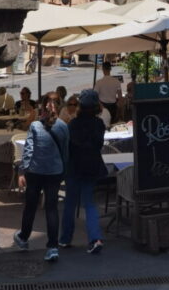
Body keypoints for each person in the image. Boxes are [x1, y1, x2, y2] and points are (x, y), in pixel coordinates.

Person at [14, 93, 68, 263]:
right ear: (59, 107)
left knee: (30, 206)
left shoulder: (35, 126)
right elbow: (66, 152)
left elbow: (28, 151)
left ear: (42, 106)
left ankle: (23, 237)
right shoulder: (64, 126)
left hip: (35, 172)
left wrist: (22, 171)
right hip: (55, 172)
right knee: (52, 208)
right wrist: (63, 171)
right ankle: (52, 247)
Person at [59, 89, 107, 255]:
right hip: (92, 166)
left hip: (74, 167)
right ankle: (95, 238)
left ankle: (65, 239)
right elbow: (98, 145)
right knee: (90, 203)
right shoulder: (99, 124)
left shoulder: (73, 125)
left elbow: (68, 148)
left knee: (70, 204)